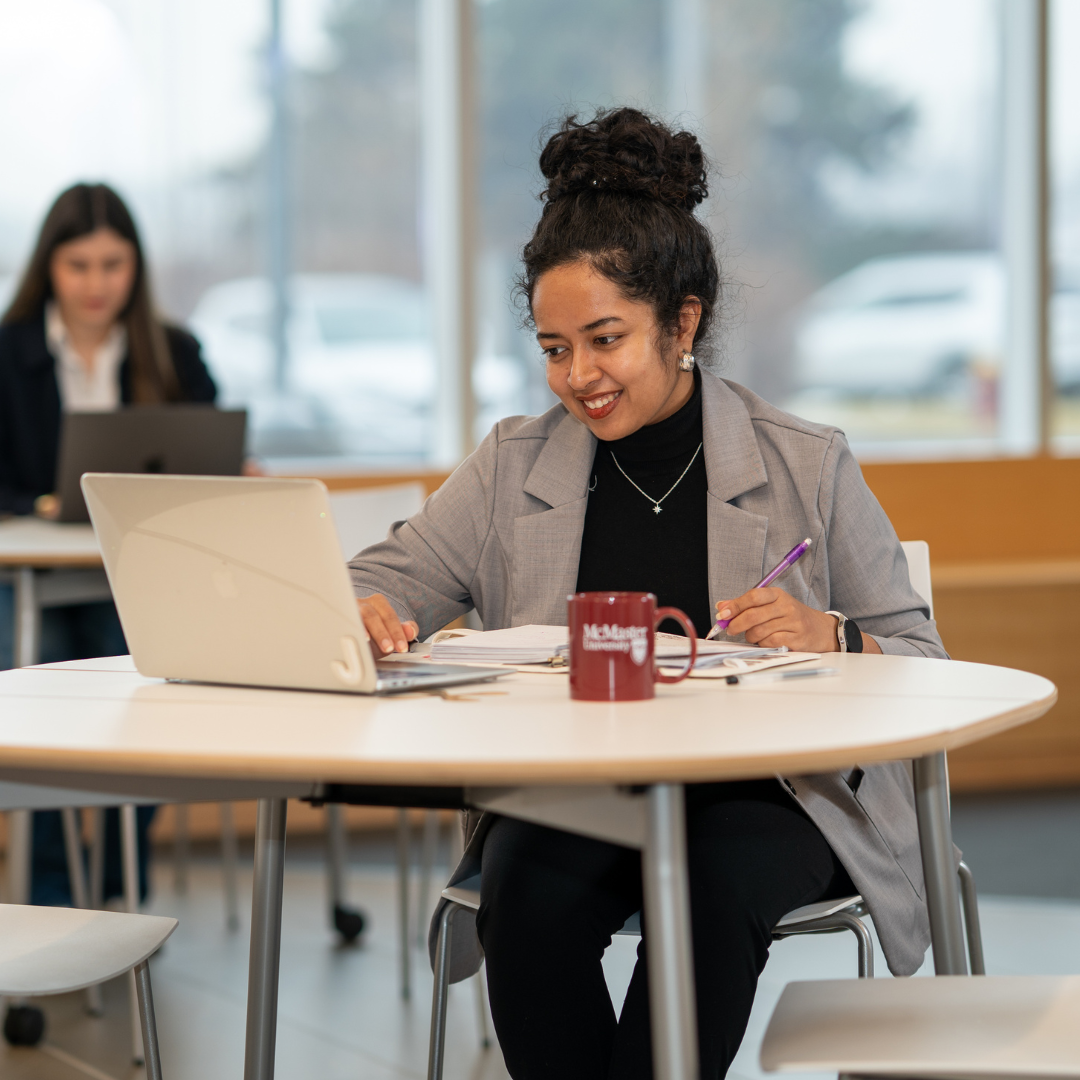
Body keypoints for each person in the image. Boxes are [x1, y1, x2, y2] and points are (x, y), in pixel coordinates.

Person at [348, 109, 947, 1079]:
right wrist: (365, 609)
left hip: (766, 800)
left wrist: (832, 635)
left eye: (605, 339)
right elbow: (379, 577)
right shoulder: (513, 464)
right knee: (524, 891)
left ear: (684, 321)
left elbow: (925, 662)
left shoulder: (808, 464)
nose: (577, 376)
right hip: (575, 792)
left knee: (712, 892)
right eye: (552, 347)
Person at [0, 182, 217, 904]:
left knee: (153, 696)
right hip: (26, 579)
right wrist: (37, 502)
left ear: (136, 267)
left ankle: (119, 879)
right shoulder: (6, 353)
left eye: (113, 264)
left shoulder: (175, 352)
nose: (97, 284)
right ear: (48, 267)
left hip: (134, 575)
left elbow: (208, 453)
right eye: (79, 265)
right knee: (30, 700)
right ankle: (55, 894)